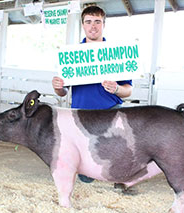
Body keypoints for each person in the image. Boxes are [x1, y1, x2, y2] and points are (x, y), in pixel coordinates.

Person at [52, 5, 133, 183]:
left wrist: (117, 89)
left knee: (118, 156)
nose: (93, 26)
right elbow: (63, 92)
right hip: (81, 114)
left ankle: (119, 179)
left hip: (110, 111)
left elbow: (128, 90)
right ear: (83, 25)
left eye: (97, 22)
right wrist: (58, 86)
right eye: (88, 22)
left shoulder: (116, 53)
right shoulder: (71, 55)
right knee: (85, 177)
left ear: (104, 24)